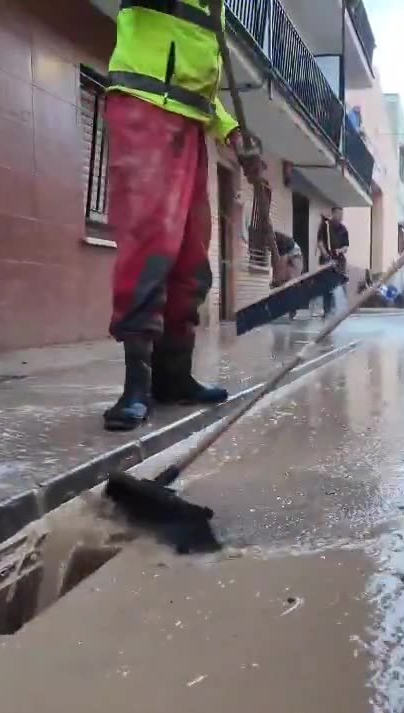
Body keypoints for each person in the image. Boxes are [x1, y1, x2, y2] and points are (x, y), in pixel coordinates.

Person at [102, 0, 265, 432]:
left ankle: (172, 377)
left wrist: (231, 130)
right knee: (149, 248)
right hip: (145, 106)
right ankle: (136, 384)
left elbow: (198, 85)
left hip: (191, 121)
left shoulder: (216, 9)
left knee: (192, 257)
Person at [317, 208, 350, 317]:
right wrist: (325, 254)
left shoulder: (343, 229)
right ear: (333, 214)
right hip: (326, 260)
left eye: (342, 214)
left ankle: (341, 311)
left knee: (340, 284)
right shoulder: (325, 226)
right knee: (326, 286)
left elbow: (346, 246)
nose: (341, 216)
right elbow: (320, 242)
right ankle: (327, 310)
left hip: (339, 261)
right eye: (339, 214)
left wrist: (339, 250)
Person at [271, 232, 305, 319]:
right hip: (291, 252)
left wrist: (276, 278)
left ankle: (291, 308)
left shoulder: (280, 244)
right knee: (282, 280)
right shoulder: (273, 243)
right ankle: (289, 307)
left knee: (287, 281)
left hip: (292, 251)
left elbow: (280, 263)